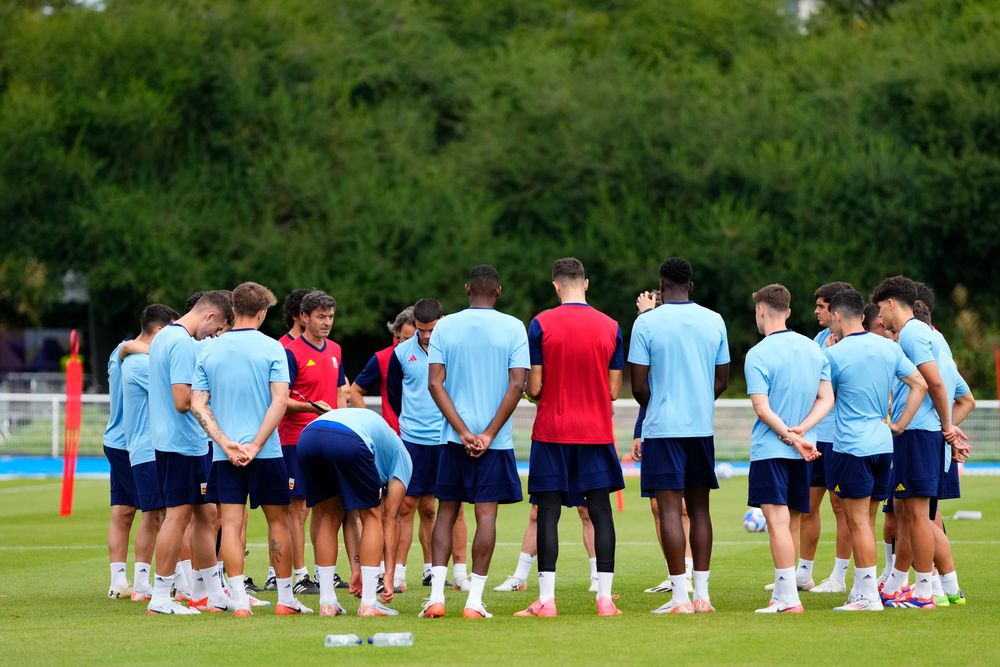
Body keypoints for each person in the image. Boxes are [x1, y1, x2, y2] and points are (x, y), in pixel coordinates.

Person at [513, 258, 625, 618]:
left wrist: (537, 394)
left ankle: (546, 600)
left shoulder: (541, 323)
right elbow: (613, 391)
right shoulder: (611, 326)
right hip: (595, 431)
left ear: (556, 286)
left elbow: (535, 386)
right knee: (601, 511)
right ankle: (605, 599)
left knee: (547, 513)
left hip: (552, 431)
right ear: (586, 284)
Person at [191, 281, 311, 616]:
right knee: (278, 523)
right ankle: (286, 598)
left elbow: (198, 404)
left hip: (223, 453)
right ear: (261, 313)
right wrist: (256, 444)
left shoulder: (209, 349)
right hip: (267, 451)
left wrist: (225, 442)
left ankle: (240, 601)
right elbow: (280, 401)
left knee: (229, 523)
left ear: (233, 310)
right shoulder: (274, 348)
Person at [420, 265, 529, 620]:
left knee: (446, 512)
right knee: (486, 515)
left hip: (453, 439)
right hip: (494, 443)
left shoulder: (446, 325)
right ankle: (473, 602)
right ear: (498, 290)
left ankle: (436, 596)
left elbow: (435, 383)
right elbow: (518, 385)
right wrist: (487, 434)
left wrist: (464, 432)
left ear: (468, 289)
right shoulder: (514, 327)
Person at [630, 257, 729, 615]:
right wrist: (698, 402)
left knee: (670, 510)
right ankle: (702, 596)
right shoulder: (714, 320)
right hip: (701, 428)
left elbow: (639, 385)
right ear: (691, 285)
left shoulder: (647, 322)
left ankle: (680, 598)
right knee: (700, 509)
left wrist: (659, 406)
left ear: (661, 284)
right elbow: (722, 380)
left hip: (663, 429)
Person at [823, 289, 927, 612]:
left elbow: (827, 399)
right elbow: (920, 384)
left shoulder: (834, 355)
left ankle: (868, 596)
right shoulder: (887, 347)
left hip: (852, 446)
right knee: (866, 520)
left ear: (838, 316)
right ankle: (861, 589)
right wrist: (900, 424)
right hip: (884, 444)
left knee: (857, 522)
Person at [873, 276, 969, 609]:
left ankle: (926, 591)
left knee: (917, 517)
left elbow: (935, 385)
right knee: (906, 513)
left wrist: (946, 428)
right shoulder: (931, 334)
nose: (879, 320)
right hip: (922, 432)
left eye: (879, 310)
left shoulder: (913, 334)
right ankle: (902, 584)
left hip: (917, 433)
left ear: (889, 302)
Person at [744, 285, 833, 613]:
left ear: (762, 311)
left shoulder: (758, 353)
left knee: (778, 523)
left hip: (773, 450)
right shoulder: (814, 350)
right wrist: (803, 430)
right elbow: (827, 399)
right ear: (790, 312)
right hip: (802, 450)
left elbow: (762, 408)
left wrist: (792, 435)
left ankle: (787, 598)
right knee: (792, 522)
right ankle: (786, 591)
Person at [146, 291, 234, 615]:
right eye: (217, 328)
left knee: (206, 513)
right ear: (209, 316)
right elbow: (183, 400)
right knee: (178, 516)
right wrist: (211, 395)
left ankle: (213, 593)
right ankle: (160, 598)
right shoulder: (182, 341)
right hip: (182, 443)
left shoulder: (165, 336)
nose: (213, 336)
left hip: (182, 443)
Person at [385, 299, 471, 593]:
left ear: (441, 323)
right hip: (413, 442)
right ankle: (397, 573)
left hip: (448, 439)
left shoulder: (455, 350)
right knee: (406, 507)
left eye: (430, 330)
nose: (425, 336)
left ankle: (459, 573)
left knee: (453, 507)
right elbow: (395, 397)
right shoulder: (400, 354)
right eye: (421, 330)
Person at [297, 407, 412, 617]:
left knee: (327, 516)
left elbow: (350, 516)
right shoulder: (403, 459)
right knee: (372, 516)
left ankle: (327, 603)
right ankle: (369, 604)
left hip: (308, 437)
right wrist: (389, 574)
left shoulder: (381, 447)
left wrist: (357, 568)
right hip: (348, 438)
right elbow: (390, 519)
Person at [271, 290, 349, 595]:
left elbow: (340, 391)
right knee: (298, 508)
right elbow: (280, 400)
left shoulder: (336, 350)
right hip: (297, 439)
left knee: (329, 507)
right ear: (304, 317)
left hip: (331, 437)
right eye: (321, 316)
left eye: (330, 316)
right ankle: (300, 575)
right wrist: (310, 407)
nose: (327, 322)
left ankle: (323, 573)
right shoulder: (290, 353)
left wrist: (343, 419)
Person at [632, 291, 694, 596]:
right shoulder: (651, 331)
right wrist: (638, 431)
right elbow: (646, 384)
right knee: (658, 506)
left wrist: (645, 316)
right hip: (654, 426)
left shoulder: (678, 330)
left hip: (680, 428)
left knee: (681, 505)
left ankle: (689, 572)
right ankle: (675, 573)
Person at [798, 281, 855, 595]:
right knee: (807, 505)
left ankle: (838, 575)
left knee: (841, 506)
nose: (816, 311)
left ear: (835, 309)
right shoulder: (819, 338)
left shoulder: (858, 341)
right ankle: (803, 573)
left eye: (820, 306)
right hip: (816, 434)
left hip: (842, 435)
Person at [120, 304, 179, 601]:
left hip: (146, 447)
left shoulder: (134, 357)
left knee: (157, 515)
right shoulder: (142, 364)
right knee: (167, 515)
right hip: (150, 448)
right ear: (159, 331)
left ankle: (148, 581)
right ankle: (157, 582)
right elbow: (174, 393)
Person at [104, 326, 140, 600]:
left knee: (123, 510)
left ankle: (119, 582)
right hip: (130, 443)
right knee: (161, 512)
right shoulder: (128, 350)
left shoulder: (123, 350)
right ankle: (167, 580)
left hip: (119, 441)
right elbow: (126, 347)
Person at [348, 307, 416, 422]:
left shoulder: (436, 357)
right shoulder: (382, 358)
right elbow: (354, 391)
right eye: (406, 339)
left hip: (429, 434)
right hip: (394, 436)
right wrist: (370, 424)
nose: (411, 345)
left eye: (415, 340)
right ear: (398, 332)